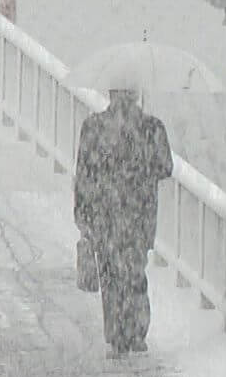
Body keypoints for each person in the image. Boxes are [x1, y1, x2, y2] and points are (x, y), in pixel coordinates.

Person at [73, 89, 174, 355]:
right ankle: (136, 332)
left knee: (111, 276)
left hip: (104, 216)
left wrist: (82, 212)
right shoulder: (151, 127)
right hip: (138, 216)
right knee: (135, 275)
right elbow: (166, 167)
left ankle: (117, 334)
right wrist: (140, 166)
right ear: (137, 95)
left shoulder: (94, 127)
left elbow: (83, 172)